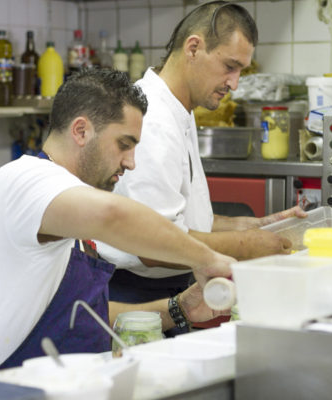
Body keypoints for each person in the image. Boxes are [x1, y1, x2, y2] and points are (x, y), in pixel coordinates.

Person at [0, 68, 235, 370]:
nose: (131, 162)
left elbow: (82, 316)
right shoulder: (27, 180)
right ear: (81, 131)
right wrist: (206, 259)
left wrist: (178, 309)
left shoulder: (64, 207)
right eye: (124, 144)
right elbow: (113, 215)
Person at [100, 1, 307, 307]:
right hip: (136, 297)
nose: (234, 84)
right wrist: (245, 246)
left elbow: (181, 221)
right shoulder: (152, 118)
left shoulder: (180, 109)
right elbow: (154, 245)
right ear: (193, 48)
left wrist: (255, 227)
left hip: (168, 286)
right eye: (229, 67)